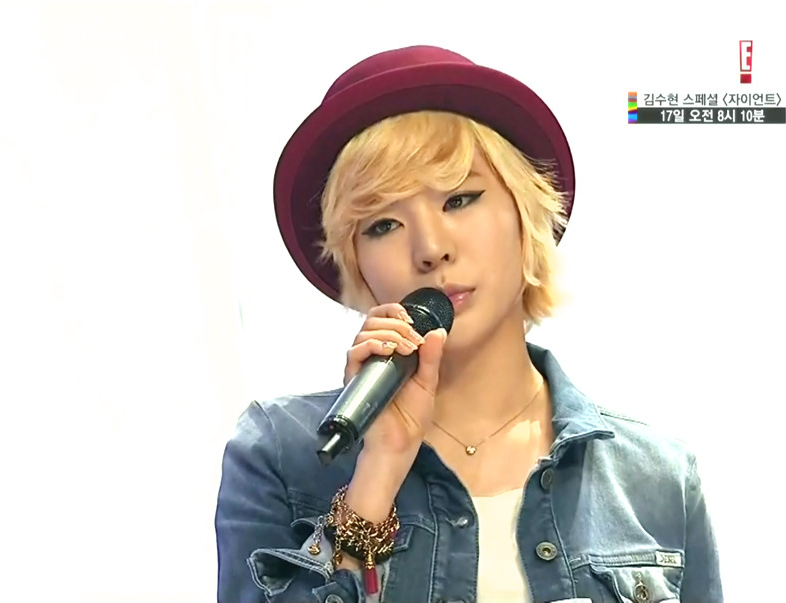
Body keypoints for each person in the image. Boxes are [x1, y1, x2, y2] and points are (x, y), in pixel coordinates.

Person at [215, 45, 723, 603]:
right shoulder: (279, 455)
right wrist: (375, 478)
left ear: (525, 215)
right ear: (355, 262)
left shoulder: (656, 477)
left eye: (459, 199)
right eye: (383, 224)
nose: (430, 249)